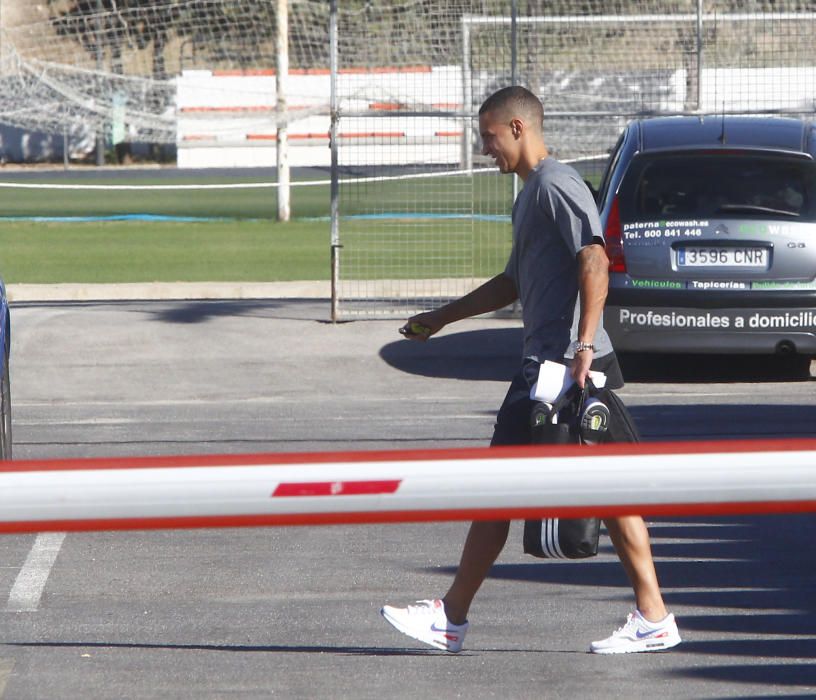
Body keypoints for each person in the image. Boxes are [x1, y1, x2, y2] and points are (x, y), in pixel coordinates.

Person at [380, 86, 680, 655]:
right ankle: (653, 616)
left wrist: (582, 347)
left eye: (489, 137)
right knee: (612, 494)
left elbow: (594, 260)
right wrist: (441, 318)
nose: (484, 148)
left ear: (517, 128)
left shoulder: (556, 185)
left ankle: (451, 617)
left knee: (506, 489)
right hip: (558, 364)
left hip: (562, 367)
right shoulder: (531, 195)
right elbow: (513, 281)